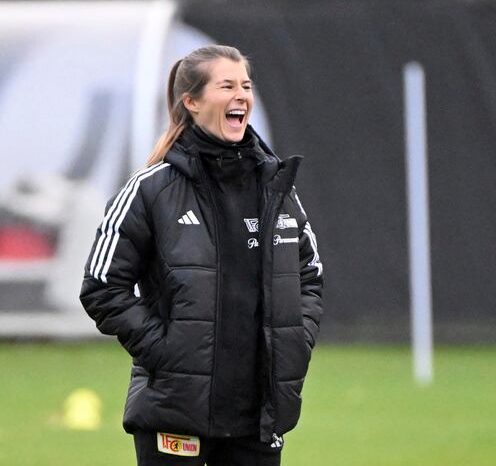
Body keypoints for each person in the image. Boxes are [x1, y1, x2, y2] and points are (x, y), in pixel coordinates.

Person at [80, 45, 324, 465]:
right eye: (226, 86)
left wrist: (295, 343)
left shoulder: (277, 188)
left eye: (246, 85)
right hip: (175, 412)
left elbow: (310, 275)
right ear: (191, 102)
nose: (241, 95)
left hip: (258, 418)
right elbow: (102, 286)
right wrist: (167, 352)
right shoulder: (150, 189)